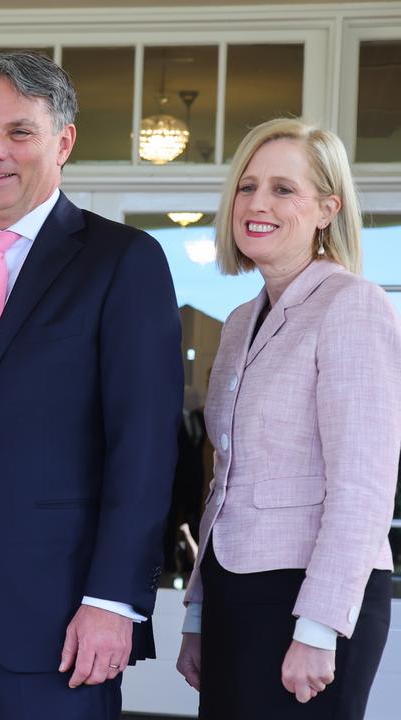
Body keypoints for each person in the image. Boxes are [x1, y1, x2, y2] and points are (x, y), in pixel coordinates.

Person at [0, 52, 182, 720]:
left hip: (64, 616)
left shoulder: (122, 262)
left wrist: (113, 602)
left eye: (19, 131)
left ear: (64, 141)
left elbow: (142, 446)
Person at [175, 118, 399, 720]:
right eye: (247, 187)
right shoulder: (241, 321)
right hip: (234, 591)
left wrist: (319, 627)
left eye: (282, 189)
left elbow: (364, 488)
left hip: (308, 597)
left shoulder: (353, 304)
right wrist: (198, 611)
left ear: (327, 208)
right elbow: (225, 482)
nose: (257, 204)